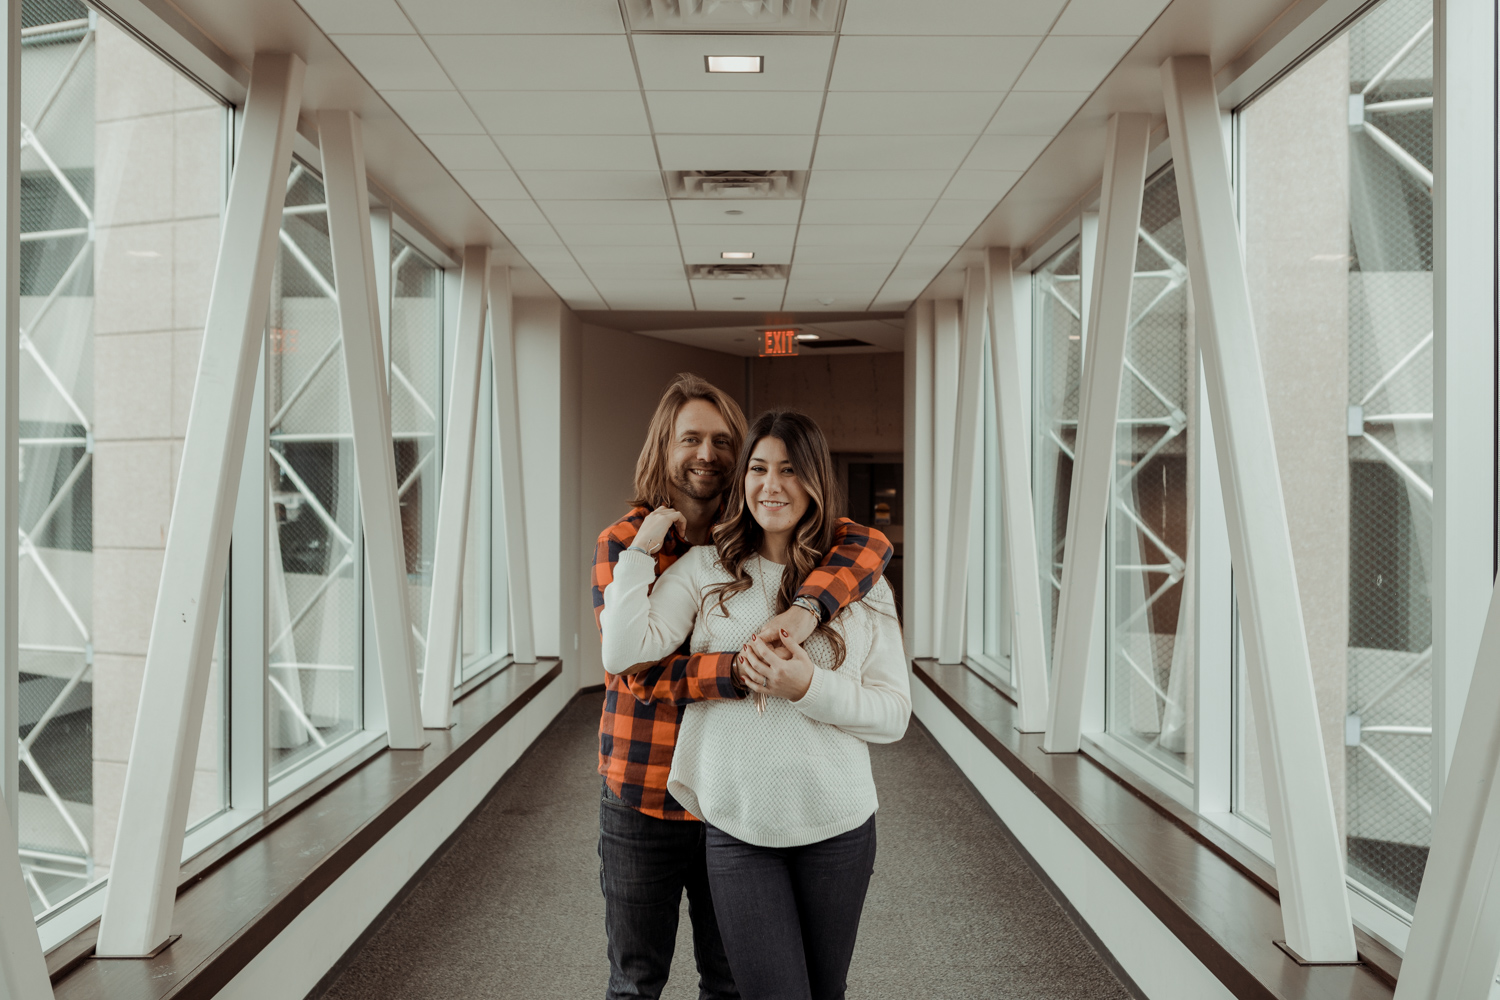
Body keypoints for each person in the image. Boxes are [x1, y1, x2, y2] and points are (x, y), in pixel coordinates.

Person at [593, 376, 892, 1000]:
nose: (707, 453)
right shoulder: (646, 549)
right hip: (654, 789)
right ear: (663, 449)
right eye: (690, 439)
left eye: (723, 440)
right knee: (636, 980)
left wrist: (808, 629)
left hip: (775, 806)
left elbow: (874, 545)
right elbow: (630, 664)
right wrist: (739, 670)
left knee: (735, 983)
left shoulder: (844, 563)